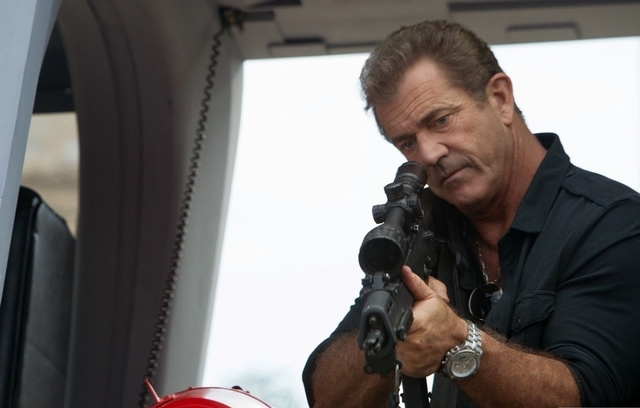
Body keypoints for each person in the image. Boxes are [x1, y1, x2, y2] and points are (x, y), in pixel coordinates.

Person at [302, 19, 640, 408]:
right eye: (407, 143)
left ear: (500, 98)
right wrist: (390, 336)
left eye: (440, 120)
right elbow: (326, 396)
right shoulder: (419, 228)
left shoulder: (615, 225)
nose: (429, 154)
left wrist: (458, 342)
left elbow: (589, 394)